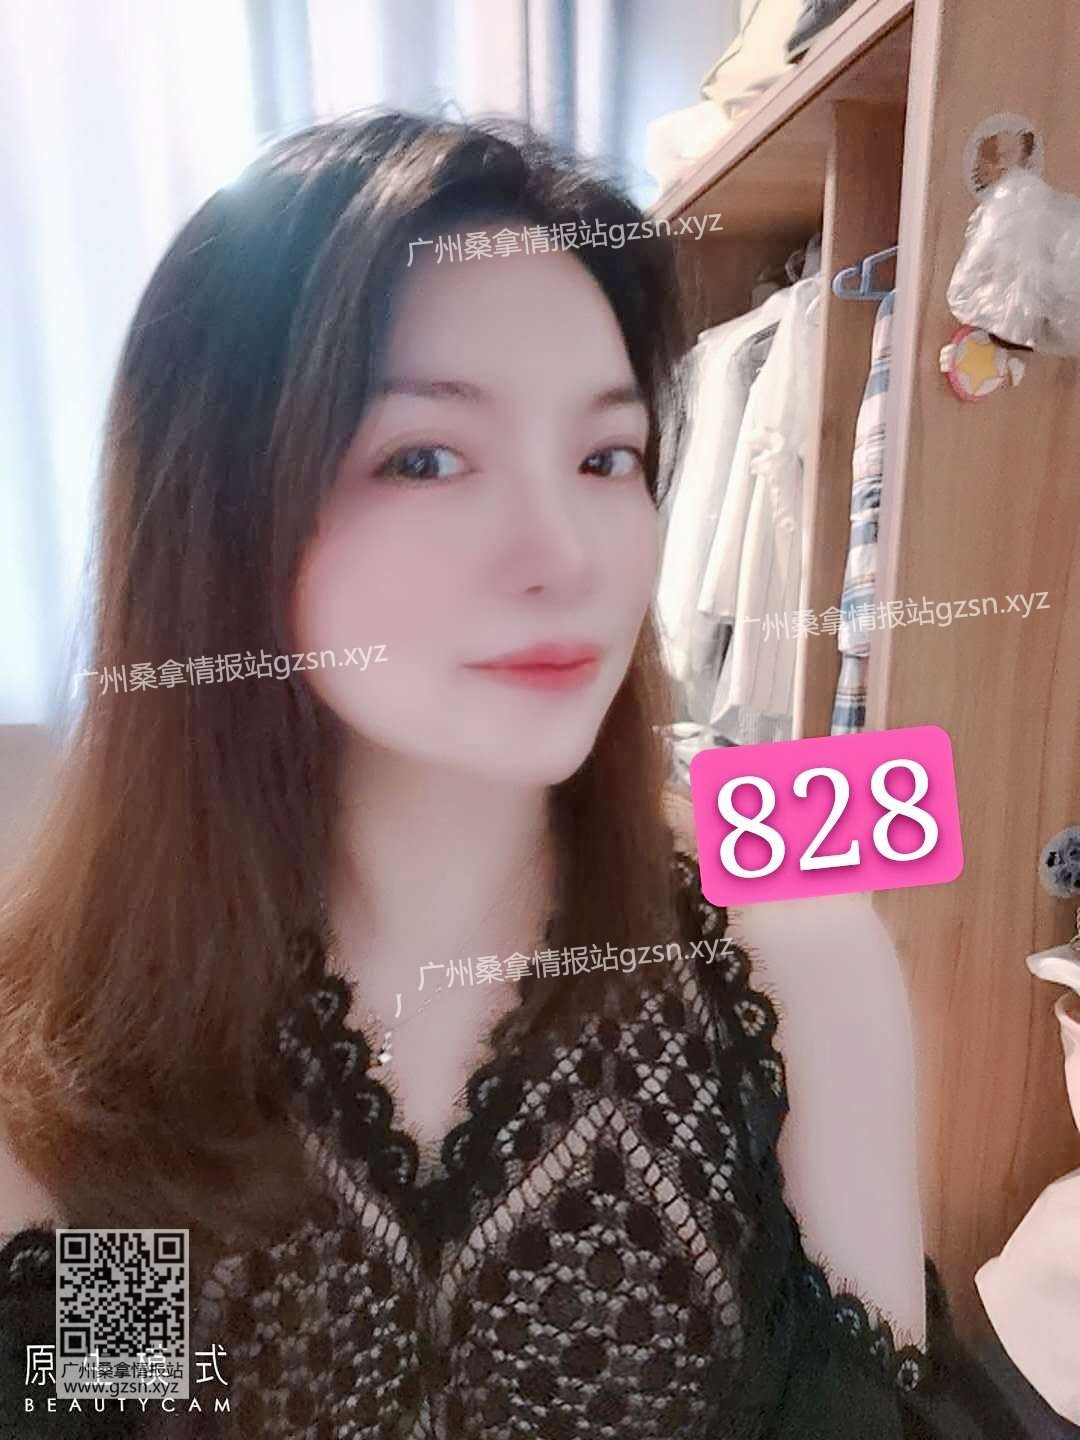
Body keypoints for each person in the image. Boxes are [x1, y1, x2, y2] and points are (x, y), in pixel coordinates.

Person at [0, 109, 1021, 1439]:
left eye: (606, 457)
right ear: (217, 517)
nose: (566, 553)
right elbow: (111, 1401)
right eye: (425, 458)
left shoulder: (788, 960)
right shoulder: (100, 1030)